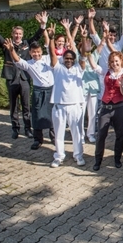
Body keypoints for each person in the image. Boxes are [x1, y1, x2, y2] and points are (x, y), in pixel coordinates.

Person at [0, 11, 47, 139]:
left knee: (26, 106)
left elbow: (37, 36)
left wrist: (42, 25)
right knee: (14, 106)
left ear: (22, 35)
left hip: (24, 79)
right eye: (16, 34)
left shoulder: (27, 44)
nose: (17, 36)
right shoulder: (7, 44)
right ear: (12, 35)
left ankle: (28, 129)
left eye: (20, 34)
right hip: (11, 78)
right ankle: (15, 129)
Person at [47, 25, 86, 168]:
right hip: (59, 106)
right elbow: (52, 54)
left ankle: (78, 156)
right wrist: (51, 38)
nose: (68, 60)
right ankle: (59, 156)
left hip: (75, 106)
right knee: (58, 134)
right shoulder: (57, 68)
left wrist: (82, 37)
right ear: (63, 58)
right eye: (66, 58)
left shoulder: (78, 68)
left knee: (77, 134)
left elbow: (83, 56)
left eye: (71, 58)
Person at [5, 39, 54, 150]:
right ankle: (38, 139)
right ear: (30, 53)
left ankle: (54, 137)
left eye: (38, 51)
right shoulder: (29, 64)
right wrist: (11, 50)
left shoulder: (48, 58)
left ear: (42, 51)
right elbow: (17, 60)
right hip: (38, 91)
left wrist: (50, 37)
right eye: (34, 52)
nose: (36, 54)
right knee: (36, 116)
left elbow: (52, 51)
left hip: (51, 90)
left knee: (53, 115)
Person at [89, 49, 123, 171]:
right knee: (101, 135)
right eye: (112, 62)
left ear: (121, 61)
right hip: (106, 108)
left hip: (119, 108)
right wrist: (87, 53)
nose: (114, 64)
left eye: (116, 61)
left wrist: (121, 83)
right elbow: (94, 65)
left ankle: (117, 159)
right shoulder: (106, 71)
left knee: (120, 135)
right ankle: (98, 160)